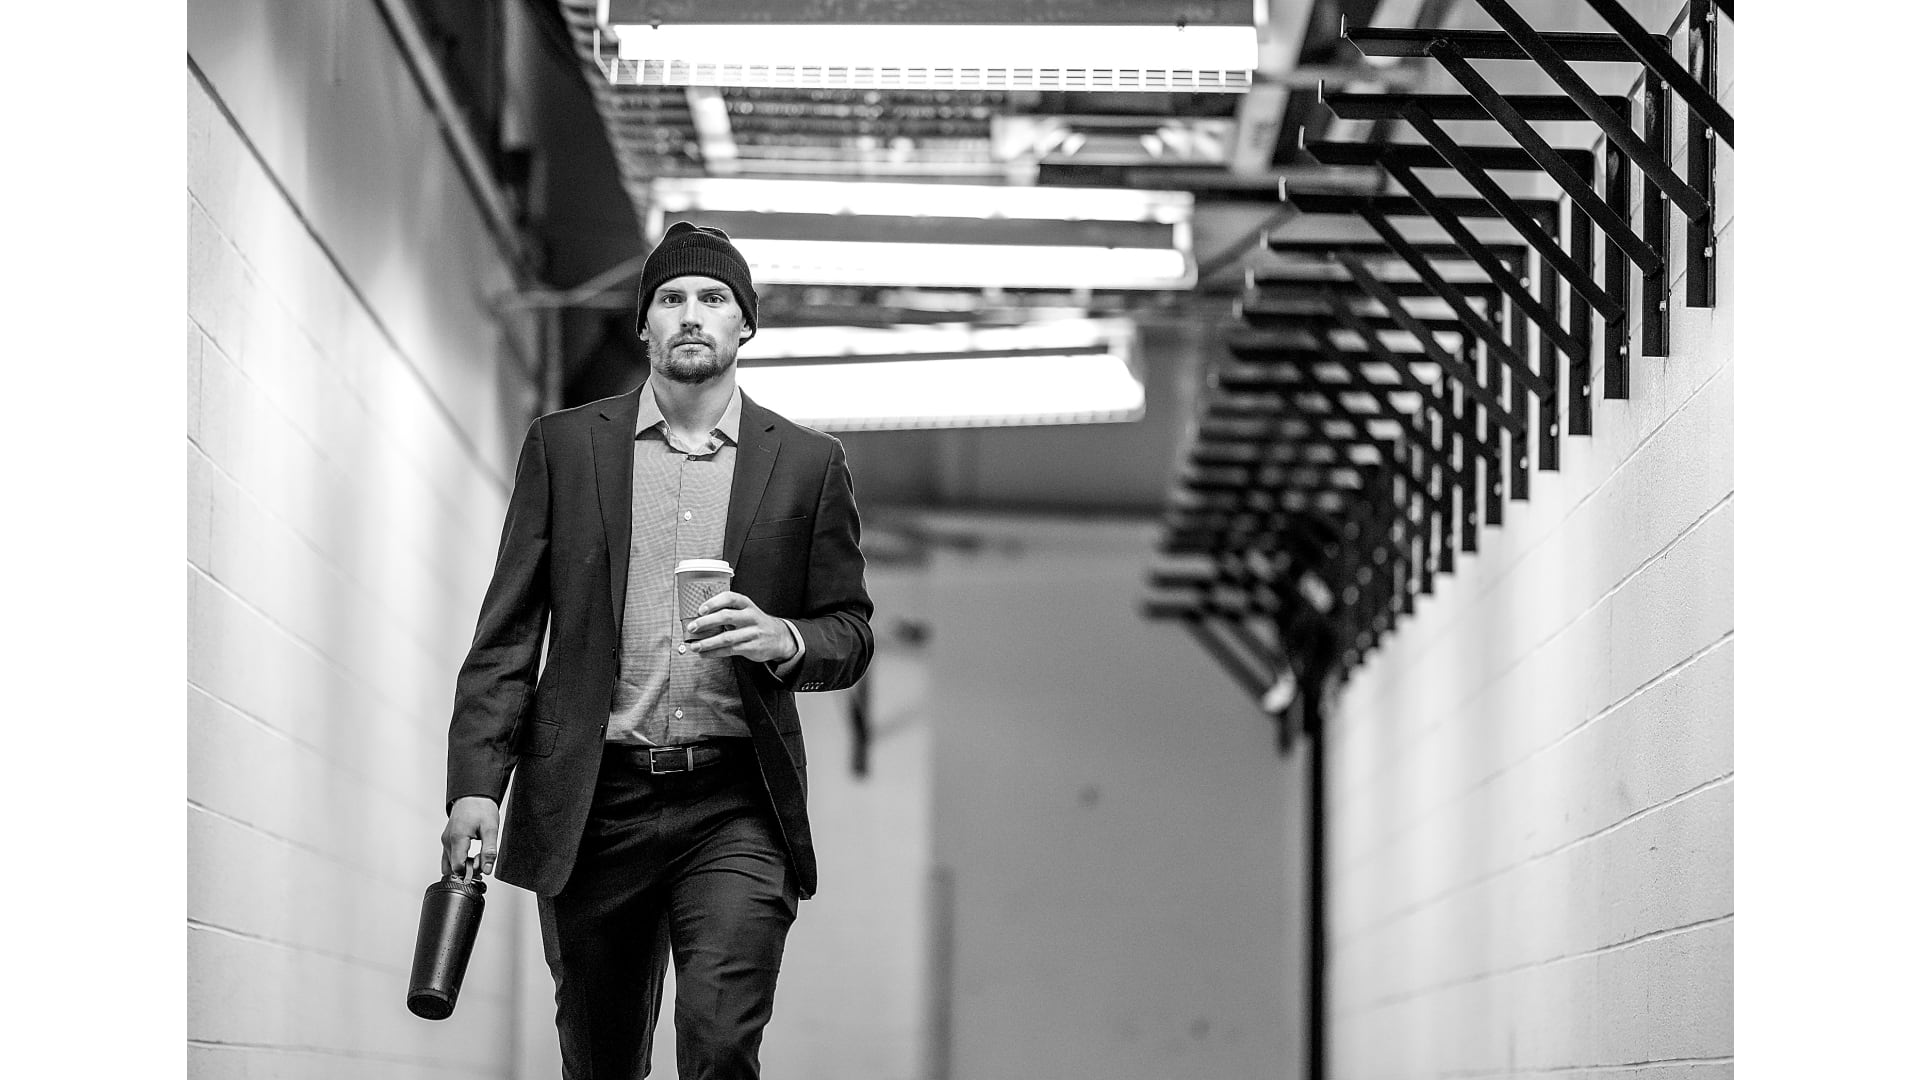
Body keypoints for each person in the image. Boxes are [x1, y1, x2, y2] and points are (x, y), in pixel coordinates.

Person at [439, 221, 875, 1079]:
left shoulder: (808, 465)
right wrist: (475, 788)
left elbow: (850, 632)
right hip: (595, 803)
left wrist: (784, 636)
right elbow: (508, 635)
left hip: (736, 802)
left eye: (713, 298)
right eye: (671, 298)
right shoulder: (566, 448)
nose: (691, 314)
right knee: (601, 1061)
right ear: (643, 324)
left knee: (719, 1042)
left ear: (745, 323)